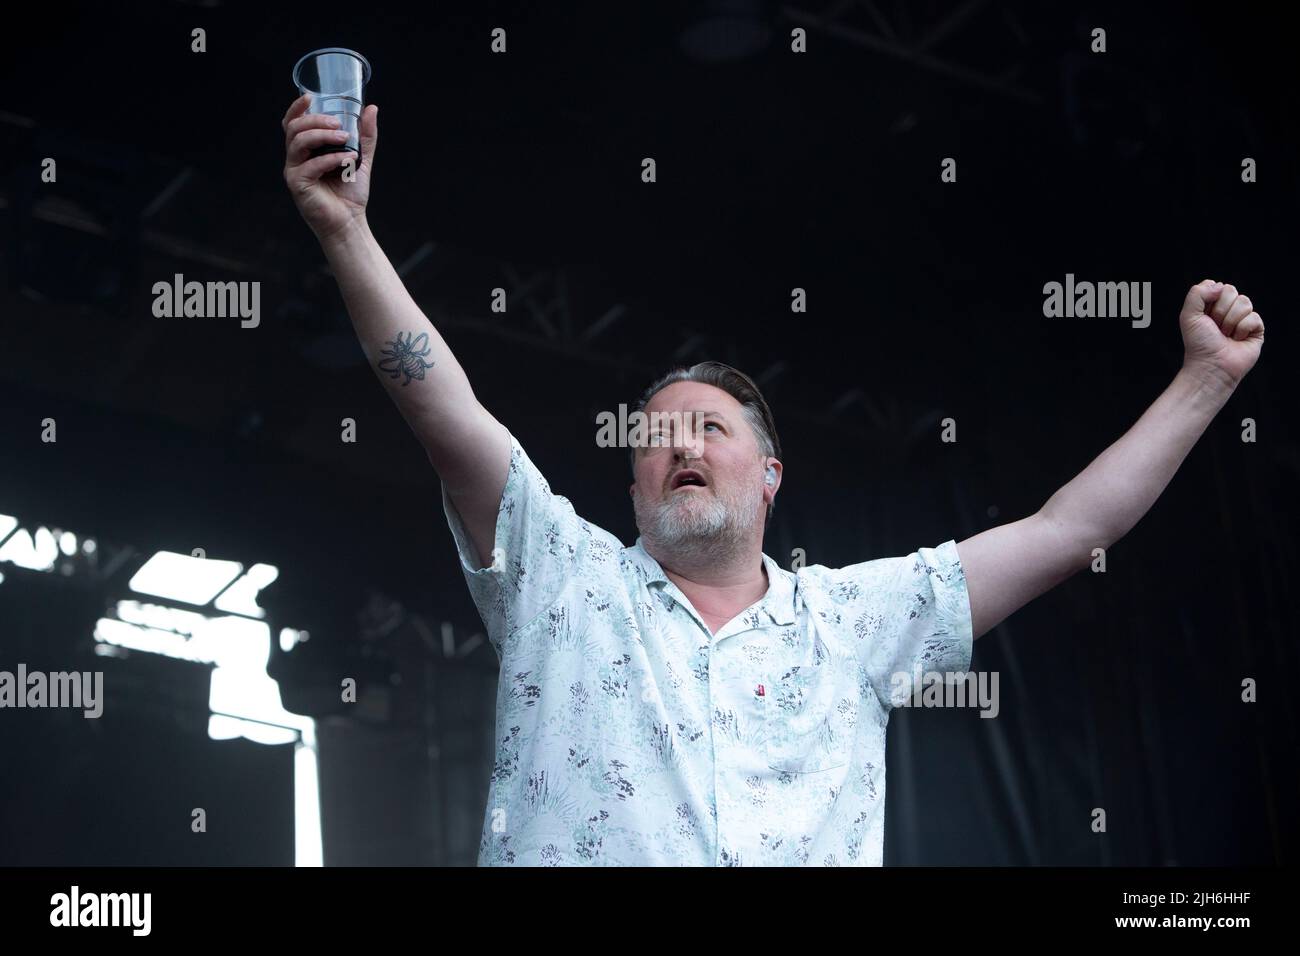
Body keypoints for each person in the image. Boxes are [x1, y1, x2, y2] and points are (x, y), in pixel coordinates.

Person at [282, 95, 1266, 865]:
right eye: (655, 436)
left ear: (769, 476)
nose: (680, 446)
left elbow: (1064, 528)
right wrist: (344, 232)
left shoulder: (854, 620)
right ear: (631, 490)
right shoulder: (562, 578)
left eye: (708, 427)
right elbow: (442, 409)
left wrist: (1203, 382)